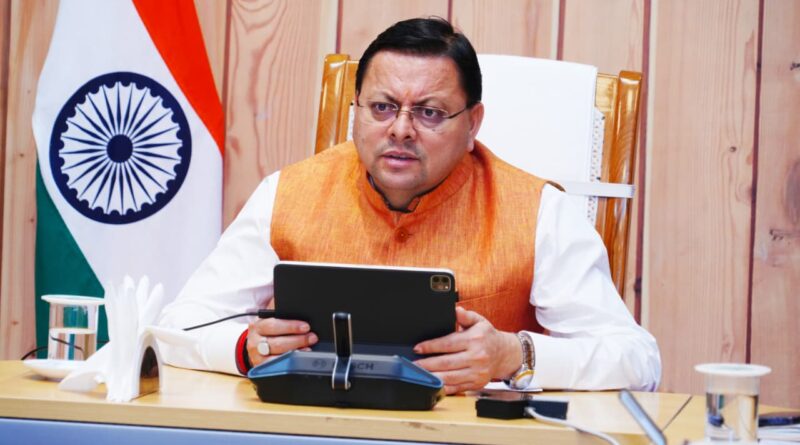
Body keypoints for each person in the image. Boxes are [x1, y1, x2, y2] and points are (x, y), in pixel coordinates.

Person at [158, 17, 661, 394]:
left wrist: (514, 354)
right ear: (355, 111)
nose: (400, 129)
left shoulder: (538, 211)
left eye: (430, 112)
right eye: (382, 107)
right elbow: (175, 327)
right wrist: (246, 349)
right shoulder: (288, 193)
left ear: (473, 124)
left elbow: (639, 361)